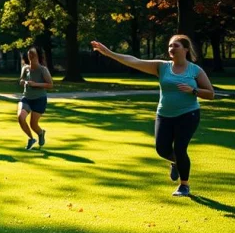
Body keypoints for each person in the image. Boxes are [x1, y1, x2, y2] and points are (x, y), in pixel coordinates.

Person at [91, 36, 214, 196]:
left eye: (175, 45)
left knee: (180, 148)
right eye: (169, 46)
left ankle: (184, 185)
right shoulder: (161, 67)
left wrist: (194, 91)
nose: (171, 48)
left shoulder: (195, 70)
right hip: (164, 114)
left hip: (188, 114)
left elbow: (210, 94)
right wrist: (109, 53)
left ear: (185, 49)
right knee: (162, 149)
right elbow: (133, 61)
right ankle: (177, 163)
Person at [17, 47, 53, 150]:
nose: (30, 56)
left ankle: (41, 133)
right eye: (29, 54)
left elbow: (50, 85)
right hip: (26, 97)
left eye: (32, 54)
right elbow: (21, 80)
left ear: (38, 55)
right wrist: (23, 82)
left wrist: (35, 84)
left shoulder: (43, 69)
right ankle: (31, 138)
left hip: (39, 99)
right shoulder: (25, 68)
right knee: (20, 117)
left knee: (33, 124)